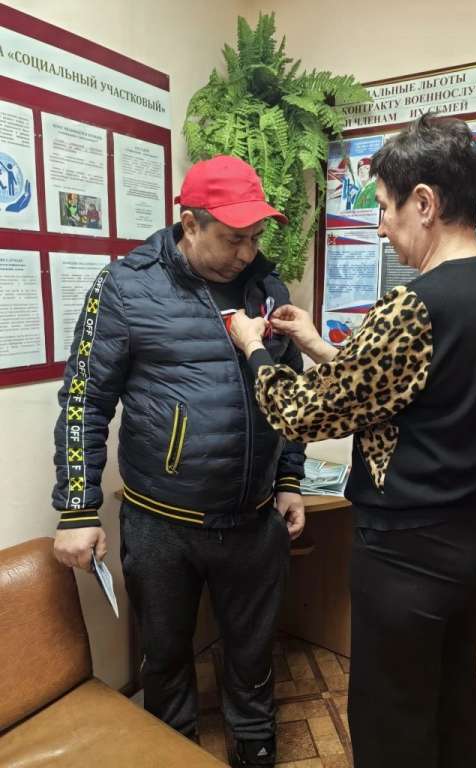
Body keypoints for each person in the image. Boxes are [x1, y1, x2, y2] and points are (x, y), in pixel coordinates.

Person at [230, 114, 476, 768]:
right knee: (450, 699)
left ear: (425, 203)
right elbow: (409, 389)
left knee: (392, 721)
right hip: (474, 531)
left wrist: (256, 350)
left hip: (410, 554)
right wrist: (316, 344)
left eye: (387, 208)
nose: (382, 226)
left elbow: (303, 415)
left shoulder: (414, 305)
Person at [52, 155, 306, 768]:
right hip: (161, 524)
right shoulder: (124, 286)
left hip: (253, 521)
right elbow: (85, 400)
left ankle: (255, 748)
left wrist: (289, 477)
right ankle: (172, 751)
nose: (247, 252)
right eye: (233, 238)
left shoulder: (268, 287)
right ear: (190, 224)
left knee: (252, 651)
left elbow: (289, 390)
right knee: (164, 657)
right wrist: (78, 509)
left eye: (255, 236)